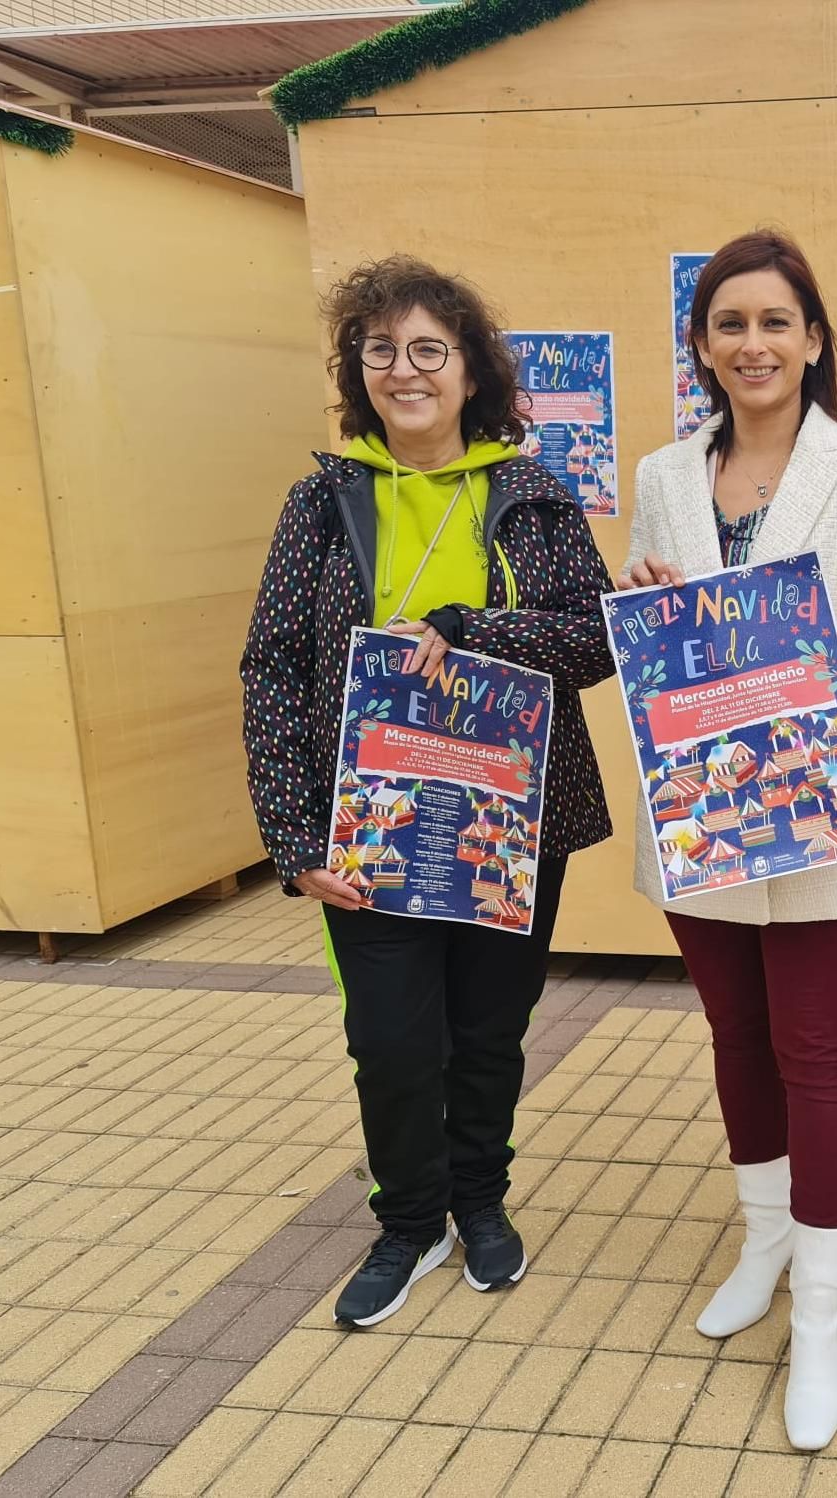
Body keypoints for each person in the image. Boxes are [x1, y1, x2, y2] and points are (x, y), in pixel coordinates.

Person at [241, 256, 617, 1328]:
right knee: (394, 1042)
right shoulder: (320, 503)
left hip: (506, 821)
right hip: (369, 835)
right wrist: (291, 833)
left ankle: (480, 1203)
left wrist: (466, 628)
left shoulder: (534, 498)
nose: (403, 370)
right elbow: (272, 665)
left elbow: (591, 638)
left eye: (426, 350)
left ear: (469, 370)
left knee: (491, 1031)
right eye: (379, 350)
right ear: (357, 372)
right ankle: (407, 1221)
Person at [619, 229, 837, 1450]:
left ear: (813, 339)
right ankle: (762, 1242)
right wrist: (651, 609)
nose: (752, 344)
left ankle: (819, 1314)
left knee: (820, 1053)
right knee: (735, 1034)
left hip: (830, 813)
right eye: (728, 324)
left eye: (775, 322)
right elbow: (653, 641)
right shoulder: (661, 473)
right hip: (701, 821)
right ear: (699, 345)